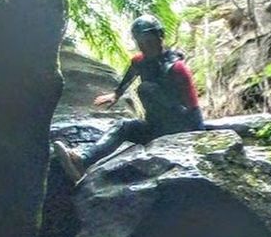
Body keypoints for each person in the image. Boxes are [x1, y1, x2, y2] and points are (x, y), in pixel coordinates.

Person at [53, 14, 204, 182]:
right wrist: (116, 95)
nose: (145, 46)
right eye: (141, 42)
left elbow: (193, 109)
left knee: (147, 88)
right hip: (154, 127)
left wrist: (196, 141)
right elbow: (130, 76)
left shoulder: (177, 68)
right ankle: (82, 160)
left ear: (159, 37)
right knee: (123, 126)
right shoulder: (139, 61)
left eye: (149, 40)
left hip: (178, 128)